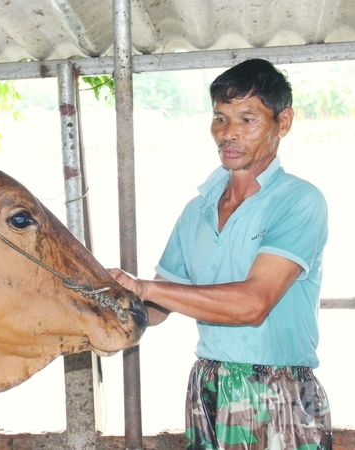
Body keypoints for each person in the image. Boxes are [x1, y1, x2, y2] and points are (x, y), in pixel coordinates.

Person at [110, 58, 332, 449]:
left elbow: (253, 304)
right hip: (208, 383)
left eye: (247, 120)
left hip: (276, 388)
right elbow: (161, 304)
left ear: (283, 123)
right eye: (220, 119)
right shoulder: (197, 209)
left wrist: (144, 287)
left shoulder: (299, 201)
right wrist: (108, 298)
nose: (228, 134)